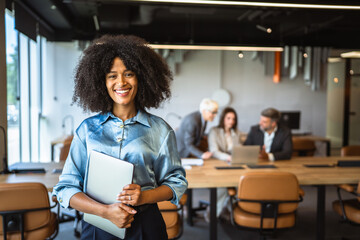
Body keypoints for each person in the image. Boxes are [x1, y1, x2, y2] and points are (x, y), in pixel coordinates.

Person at [52, 35, 188, 240]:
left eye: (129, 74)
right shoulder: (87, 130)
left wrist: (145, 196)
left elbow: (176, 182)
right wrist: (105, 212)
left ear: (142, 77)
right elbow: (65, 189)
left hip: (146, 226)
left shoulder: (160, 130)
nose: (121, 82)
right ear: (101, 82)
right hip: (98, 226)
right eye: (112, 76)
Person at [208, 107, 242, 219]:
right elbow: (214, 151)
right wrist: (228, 157)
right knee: (222, 187)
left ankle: (233, 209)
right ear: (223, 118)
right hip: (218, 164)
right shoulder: (214, 131)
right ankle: (211, 214)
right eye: (228, 118)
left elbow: (239, 148)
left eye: (233, 119)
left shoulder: (236, 133)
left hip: (233, 165)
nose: (231, 121)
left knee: (242, 184)